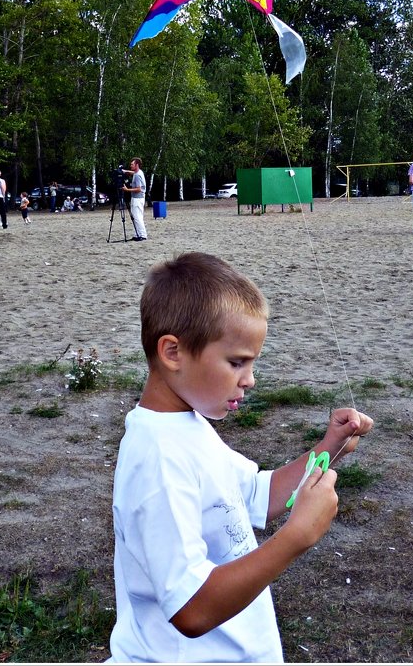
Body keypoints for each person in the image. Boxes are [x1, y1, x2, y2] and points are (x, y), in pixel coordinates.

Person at [105, 252, 373, 663]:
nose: (249, 379)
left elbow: (258, 495)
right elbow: (190, 610)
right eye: (236, 362)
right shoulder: (157, 458)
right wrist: (297, 536)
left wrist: (327, 448)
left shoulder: (188, 424)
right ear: (173, 353)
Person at [122, 157, 147, 241]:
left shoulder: (138, 175)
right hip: (137, 198)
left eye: (132, 164)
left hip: (138, 198)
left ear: (137, 165)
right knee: (135, 216)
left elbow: (139, 189)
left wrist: (127, 190)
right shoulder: (138, 173)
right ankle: (137, 233)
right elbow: (134, 173)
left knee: (137, 217)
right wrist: (125, 171)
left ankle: (142, 235)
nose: (131, 166)